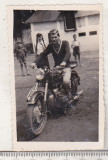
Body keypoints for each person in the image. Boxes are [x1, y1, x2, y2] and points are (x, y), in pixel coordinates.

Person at [31, 29, 75, 100]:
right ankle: (54, 96)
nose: (53, 39)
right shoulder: (51, 46)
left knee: (66, 81)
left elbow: (68, 53)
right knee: (48, 80)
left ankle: (70, 94)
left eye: (55, 37)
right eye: (52, 37)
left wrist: (64, 62)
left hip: (65, 67)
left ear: (58, 36)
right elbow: (43, 54)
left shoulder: (65, 43)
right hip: (56, 68)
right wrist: (34, 62)